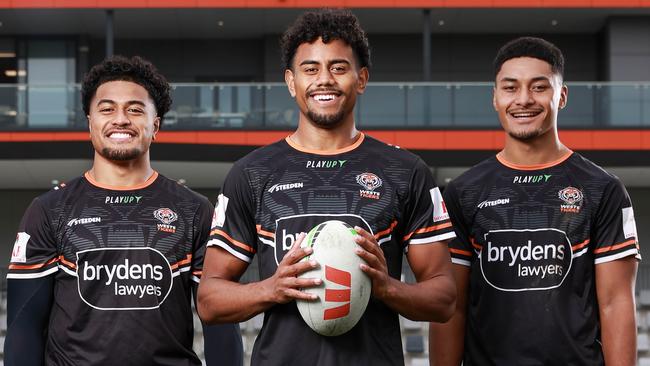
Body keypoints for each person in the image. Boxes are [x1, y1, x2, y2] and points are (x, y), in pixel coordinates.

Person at [197, 9, 456, 366]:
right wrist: (271, 288)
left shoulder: (404, 171)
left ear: (361, 78)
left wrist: (387, 287)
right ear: (291, 82)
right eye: (310, 69)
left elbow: (444, 298)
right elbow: (209, 301)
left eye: (338, 67)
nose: (324, 80)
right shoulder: (252, 173)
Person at [5, 55, 242, 366]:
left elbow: (221, 324)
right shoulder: (49, 210)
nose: (121, 119)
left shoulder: (193, 210)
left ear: (155, 125)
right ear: (89, 122)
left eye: (135, 109)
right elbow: (24, 327)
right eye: (107, 109)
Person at [429, 37, 640, 366]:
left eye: (539, 87)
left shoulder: (603, 189)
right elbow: (452, 307)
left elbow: (615, 303)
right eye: (510, 88)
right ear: (495, 98)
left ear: (562, 96)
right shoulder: (462, 193)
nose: (523, 100)